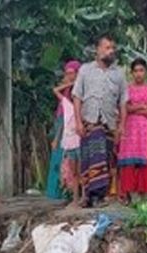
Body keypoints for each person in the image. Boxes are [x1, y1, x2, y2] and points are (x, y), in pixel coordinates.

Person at [73, 34, 128, 208]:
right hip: (89, 122)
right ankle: (88, 196)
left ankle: (98, 196)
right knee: (90, 158)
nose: (110, 51)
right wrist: (78, 122)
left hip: (109, 124)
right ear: (97, 50)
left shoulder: (119, 74)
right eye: (106, 47)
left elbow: (123, 102)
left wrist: (121, 127)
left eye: (112, 48)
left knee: (104, 159)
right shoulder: (85, 70)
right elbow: (77, 97)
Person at [117, 58, 147, 202]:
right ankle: (129, 194)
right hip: (129, 129)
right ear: (131, 73)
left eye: (141, 70)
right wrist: (142, 106)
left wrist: (134, 108)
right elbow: (125, 108)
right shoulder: (127, 89)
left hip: (145, 130)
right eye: (135, 71)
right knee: (128, 162)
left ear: (146, 72)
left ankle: (143, 195)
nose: (138, 74)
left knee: (144, 163)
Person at [45, 60, 80, 200]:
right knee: (59, 160)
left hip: (73, 129)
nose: (69, 75)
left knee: (71, 163)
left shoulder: (79, 90)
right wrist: (69, 83)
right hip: (63, 126)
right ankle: (56, 192)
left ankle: (70, 193)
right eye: (67, 73)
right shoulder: (66, 91)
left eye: (72, 73)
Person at [54, 60, 83, 205]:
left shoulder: (82, 107)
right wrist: (70, 84)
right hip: (70, 141)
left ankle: (82, 198)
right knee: (74, 172)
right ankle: (76, 199)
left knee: (81, 171)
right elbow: (56, 90)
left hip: (80, 139)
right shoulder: (66, 103)